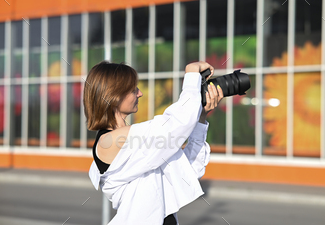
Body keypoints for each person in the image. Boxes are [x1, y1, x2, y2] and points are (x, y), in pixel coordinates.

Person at [84, 61, 223, 225]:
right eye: (133, 89)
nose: (140, 93)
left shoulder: (139, 148)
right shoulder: (110, 141)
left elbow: (189, 171)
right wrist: (191, 74)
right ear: (113, 96)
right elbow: (174, 126)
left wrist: (200, 118)